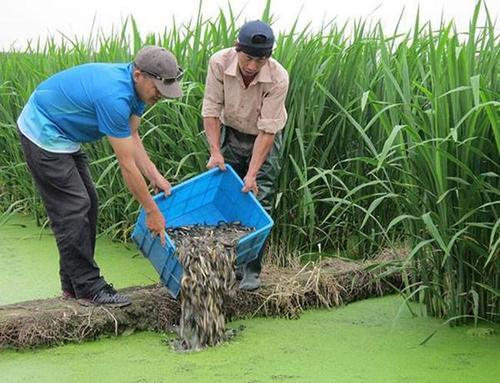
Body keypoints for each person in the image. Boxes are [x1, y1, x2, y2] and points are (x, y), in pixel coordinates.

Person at [17, 45, 183, 306]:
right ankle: (88, 287)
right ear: (139, 74)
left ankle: (72, 284)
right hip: (43, 130)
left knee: (90, 202)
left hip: (65, 135)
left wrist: (155, 175)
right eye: (158, 90)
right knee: (73, 207)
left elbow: (133, 135)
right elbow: (126, 165)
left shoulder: (139, 91)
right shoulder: (114, 97)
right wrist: (151, 211)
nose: (161, 96)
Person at [202, 20, 289, 290]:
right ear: (237, 49)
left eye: (260, 60)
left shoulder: (278, 77)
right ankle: (226, 265)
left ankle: (251, 269)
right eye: (248, 57)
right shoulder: (219, 63)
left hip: (264, 138)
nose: (252, 66)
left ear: (268, 58)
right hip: (232, 131)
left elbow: (268, 130)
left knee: (258, 199)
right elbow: (211, 110)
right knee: (227, 195)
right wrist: (216, 153)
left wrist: (252, 175)